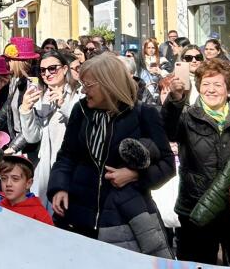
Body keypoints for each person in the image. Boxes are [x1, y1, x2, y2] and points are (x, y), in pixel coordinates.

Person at [48, 54, 174, 254]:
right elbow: (67, 156)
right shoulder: (80, 111)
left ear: (108, 84)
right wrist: (59, 187)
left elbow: (168, 165)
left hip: (124, 219)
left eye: (88, 85)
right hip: (78, 214)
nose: (83, 90)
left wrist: (135, 176)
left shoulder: (144, 114)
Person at [164, 59, 230, 266]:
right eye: (205, 85)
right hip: (196, 207)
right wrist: (175, 99)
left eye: (217, 85)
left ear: (229, 90)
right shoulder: (186, 116)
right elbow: (167, 129)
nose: (211, 90)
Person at [20, 50, 82, 205]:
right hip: (44, 170)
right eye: (42, 70)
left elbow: (82, 129)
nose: (47, 74)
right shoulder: (42, 96)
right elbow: (33, 137)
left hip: (69, 169)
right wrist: (26, 110)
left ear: (65, 69)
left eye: (52, 68)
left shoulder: (79, 94)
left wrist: (64, 105)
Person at [0, 155, 54, 224]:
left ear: (28, 183)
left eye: (15, 179)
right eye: (4, 178)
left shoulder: (40, 215)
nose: (8, 184)